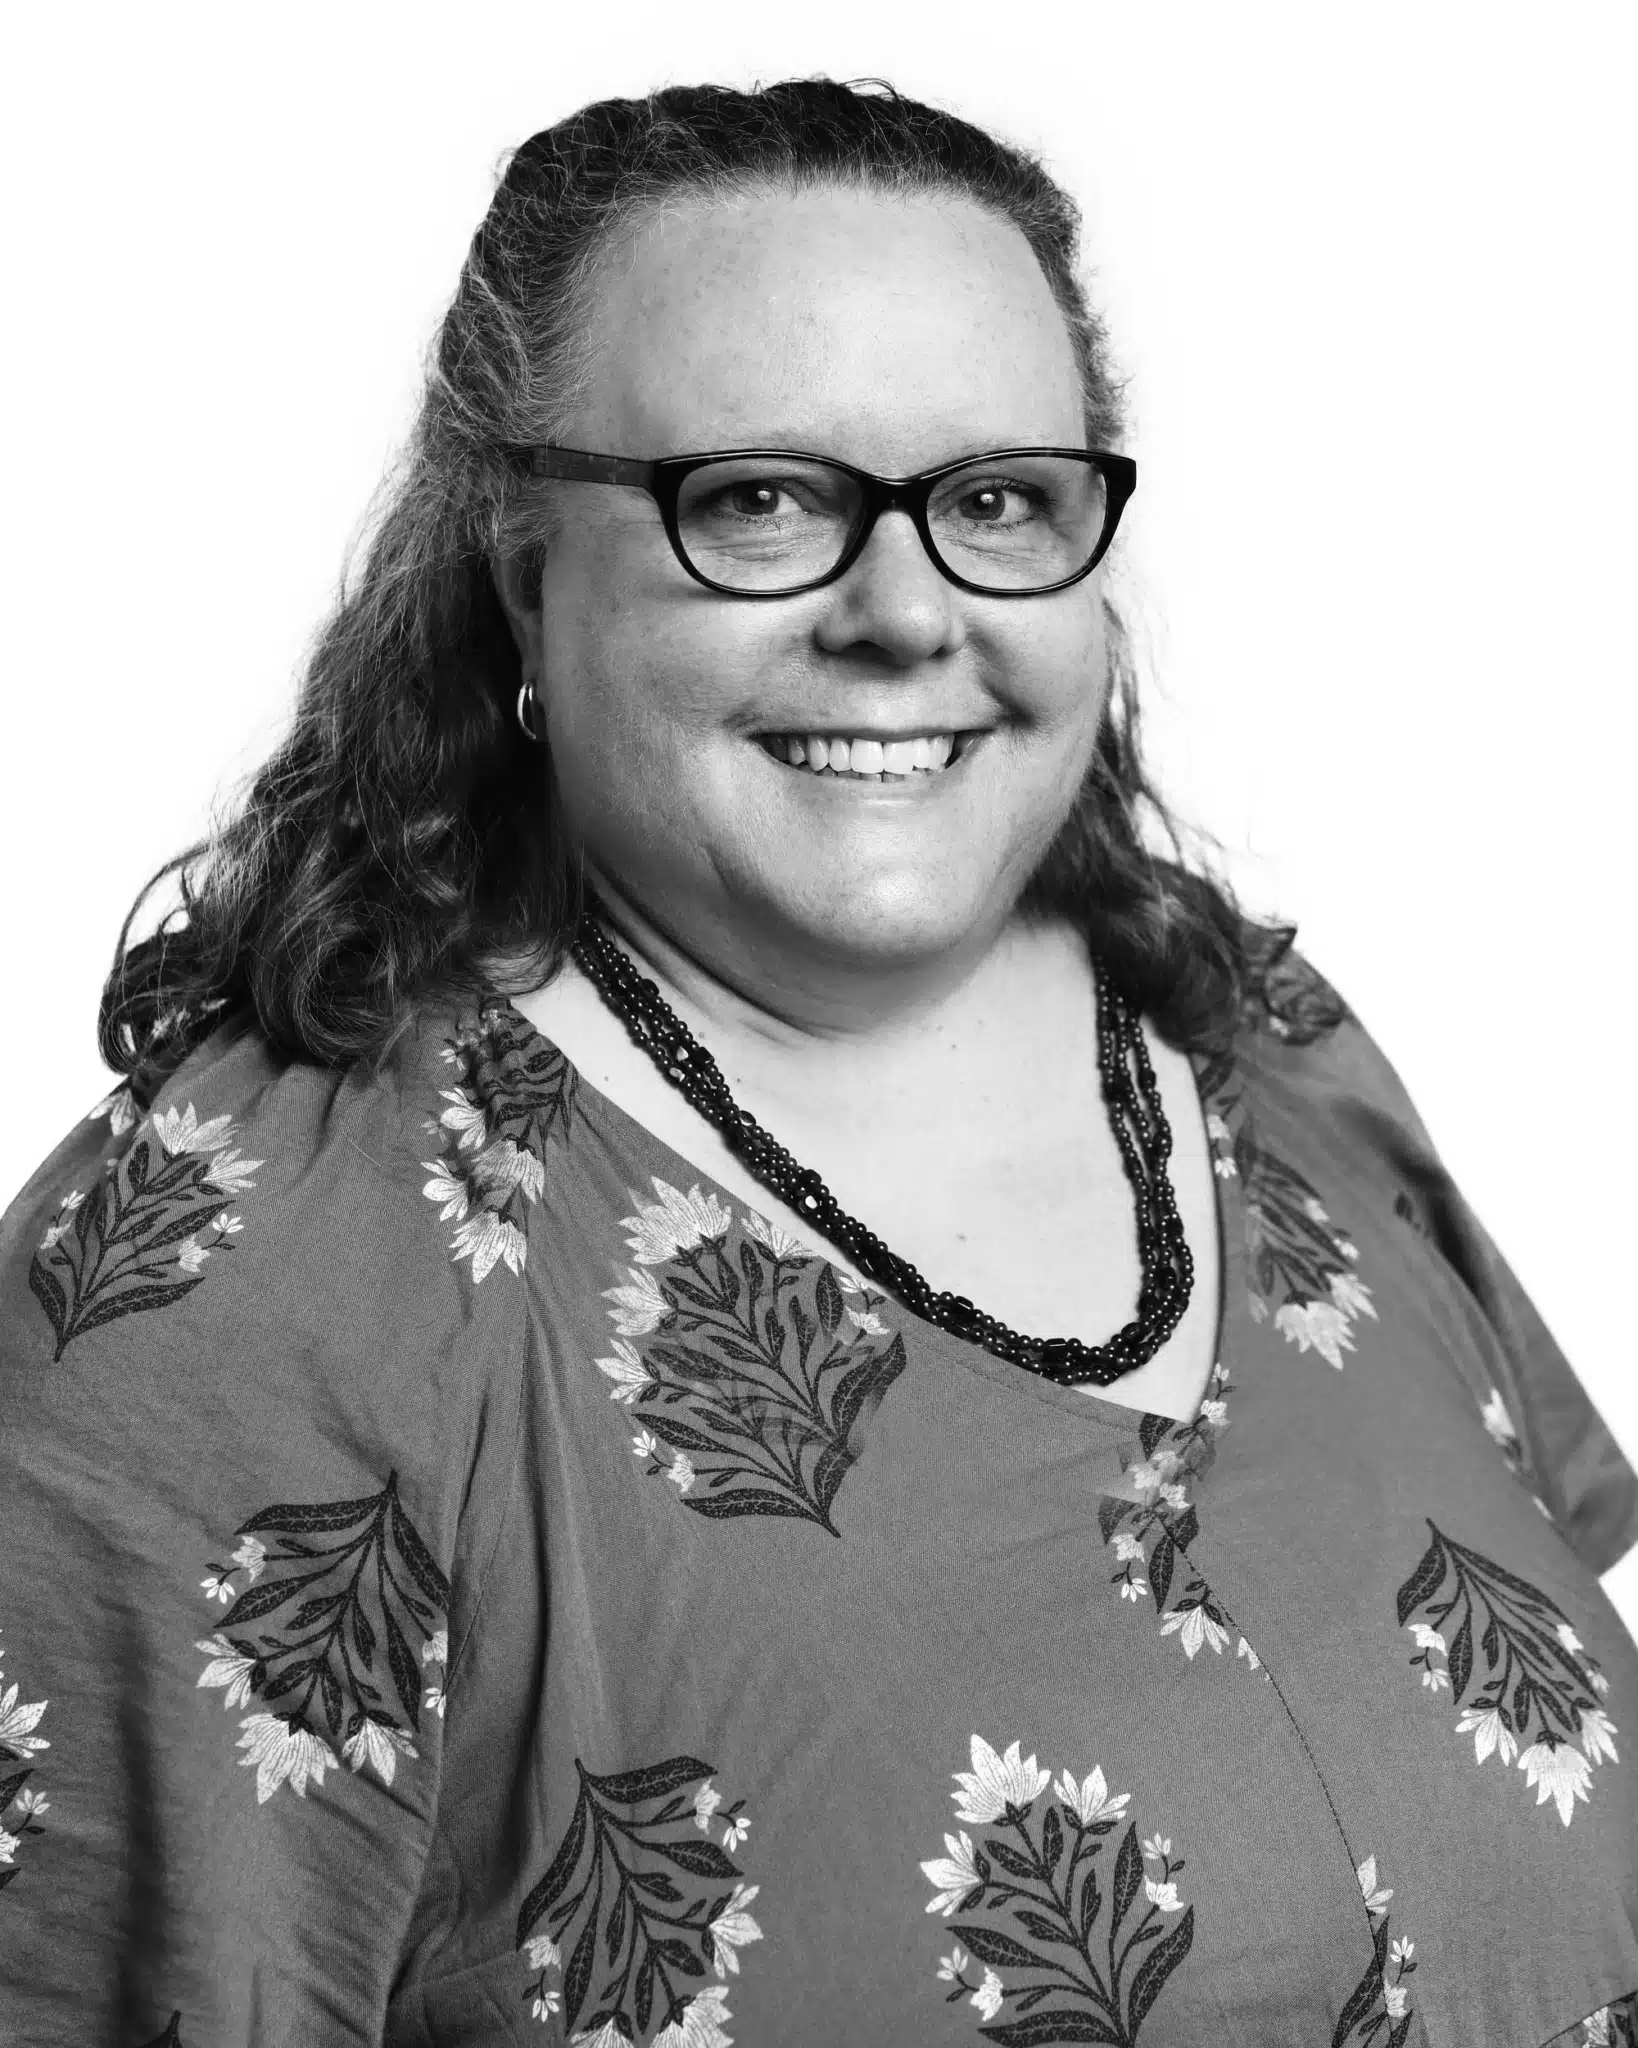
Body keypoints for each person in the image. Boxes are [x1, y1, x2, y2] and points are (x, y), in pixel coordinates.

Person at [0, 75, 1633, 2048]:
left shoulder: (1261, 1049)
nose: (906, 612)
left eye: (997, 500)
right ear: (522, 574)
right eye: (760, 500)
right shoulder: (239, 1289)